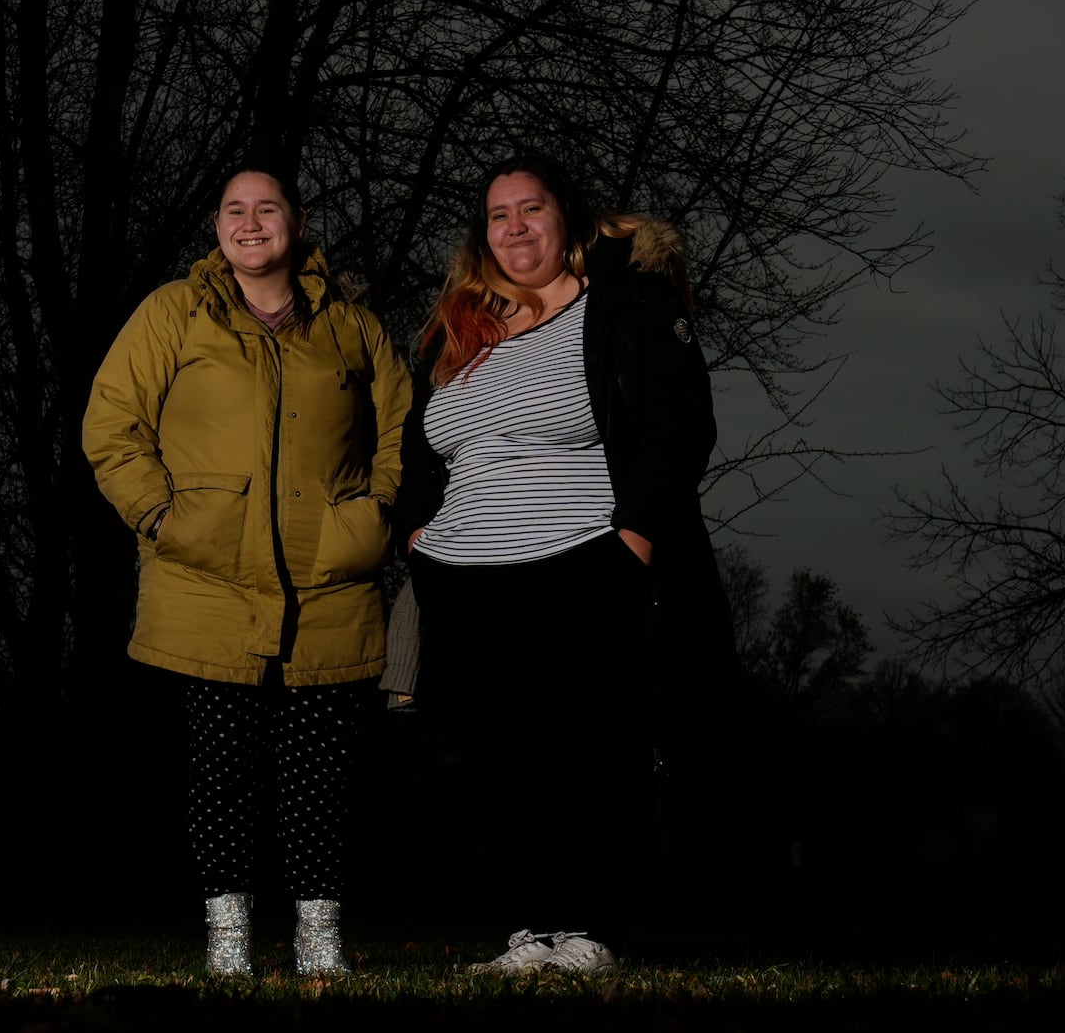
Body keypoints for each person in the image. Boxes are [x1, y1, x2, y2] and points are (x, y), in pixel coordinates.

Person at [393, 153, 725, 974]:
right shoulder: (458, 325)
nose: (514, 229)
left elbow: (681, 419)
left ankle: (588, 928)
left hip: (581, 556)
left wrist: (636, 537)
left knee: (589, 743)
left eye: (530, 209)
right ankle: (525, 930)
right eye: (498, 215)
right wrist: (417, 537)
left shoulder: (621, 303)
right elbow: (415, 452)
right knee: (498, 750)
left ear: (564, 218)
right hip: (465, 571)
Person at [82, 164, 412, 976]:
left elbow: (403, 427)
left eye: (268, 208)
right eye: (235, 209)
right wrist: (161, 514)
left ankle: (319, 938)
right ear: (218, 228)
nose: (251, 221)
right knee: (220, 769)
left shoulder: (352, 325)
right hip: (206, 581)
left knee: (320, 775)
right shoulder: (172, 312)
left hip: (328, 585)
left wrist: (372, 515)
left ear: (297, 223)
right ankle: (228, 941)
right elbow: (111, 423)